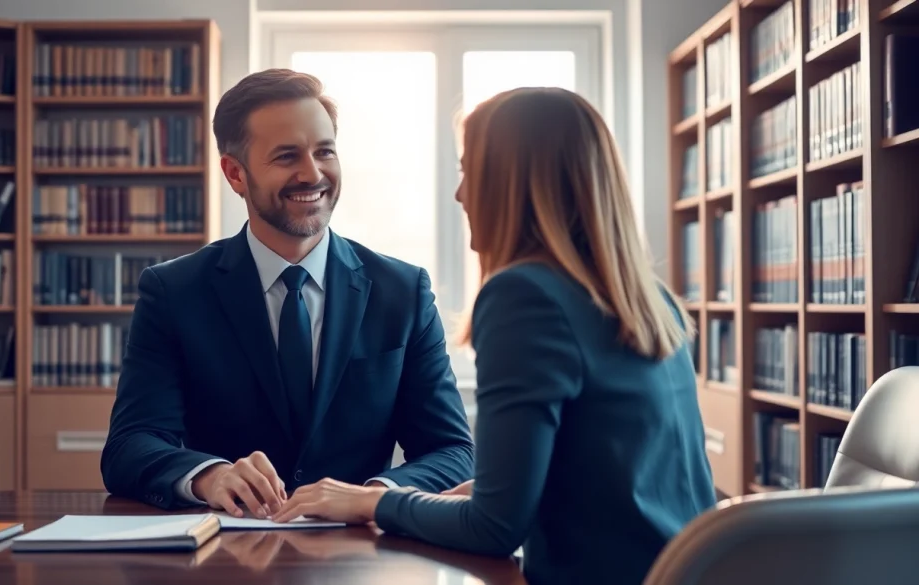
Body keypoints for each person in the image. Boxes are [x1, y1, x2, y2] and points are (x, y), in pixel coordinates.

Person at [271, 87, 717, 585]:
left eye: (468, 171)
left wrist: (373, 500)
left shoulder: (524, 297)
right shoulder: (648, 297)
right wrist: (444, 496)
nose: (460, 194)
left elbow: (495, 527)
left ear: (514, 182)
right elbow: (596, 477)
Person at [100, 68, 475, 516]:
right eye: (286, 157)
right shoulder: (173, 292)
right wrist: (209, 475)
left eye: (324, 152)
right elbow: (130, 445)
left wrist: (371, 497)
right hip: (226, 556)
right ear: (235, 174)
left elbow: (452, 451)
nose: (312, 174)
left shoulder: (404, 291)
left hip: (362, 560)